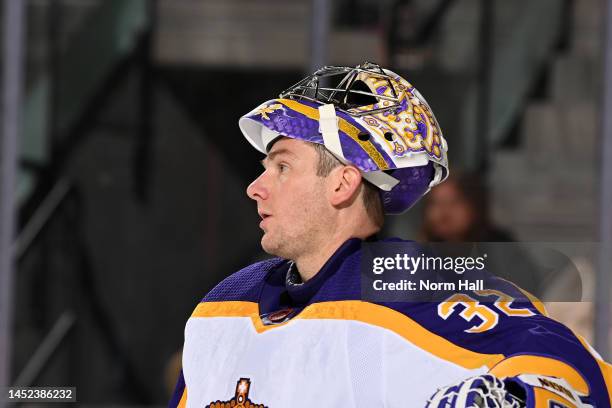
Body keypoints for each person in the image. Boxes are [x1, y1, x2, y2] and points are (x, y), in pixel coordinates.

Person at [169, 62, 611, 407]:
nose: (256, 186)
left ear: (342, 184)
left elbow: (579, 374)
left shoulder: (412, 285)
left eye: (282, 166)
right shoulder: (221, 307)